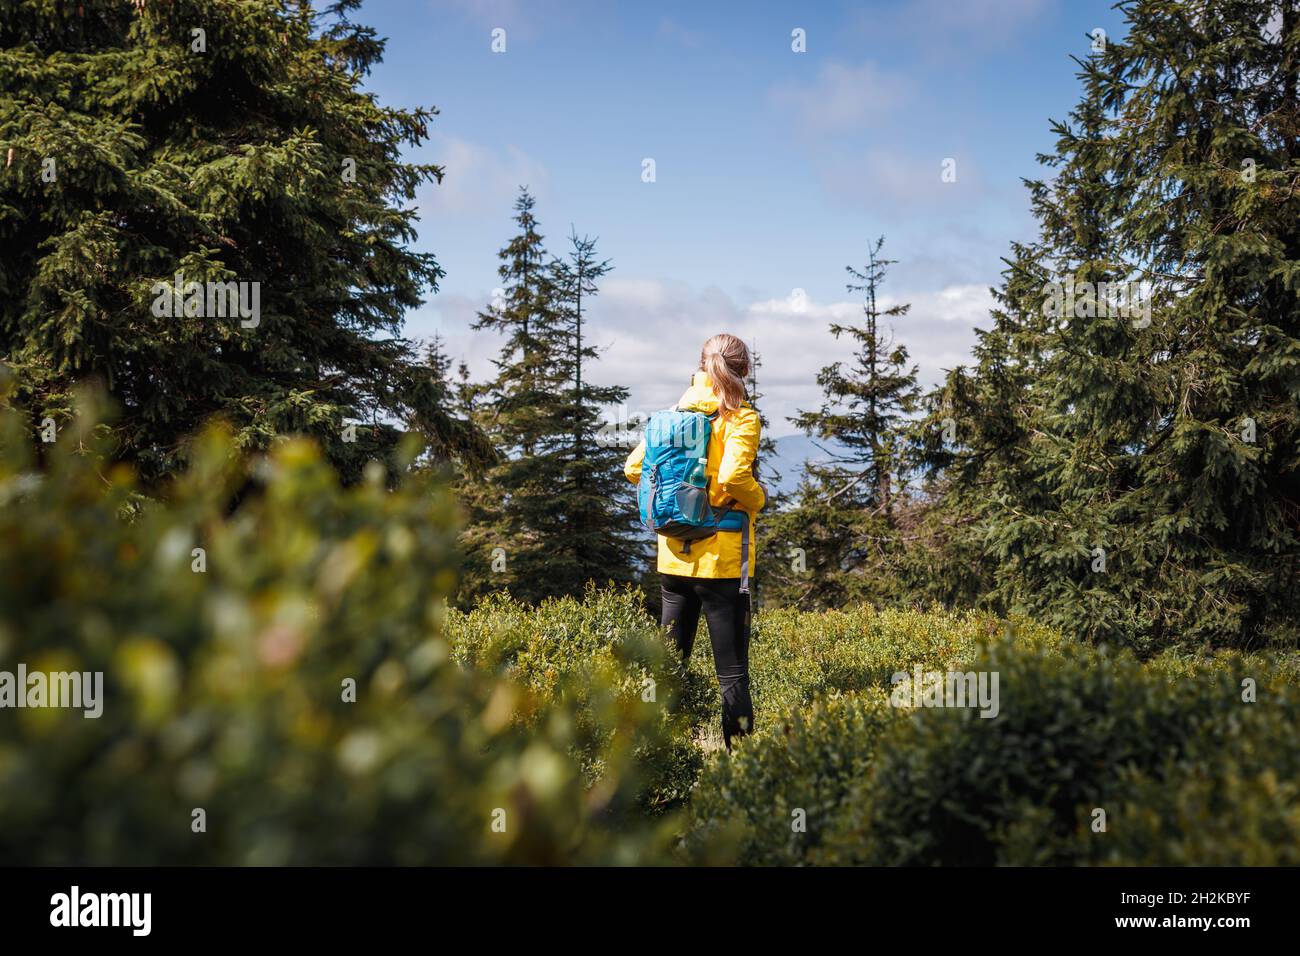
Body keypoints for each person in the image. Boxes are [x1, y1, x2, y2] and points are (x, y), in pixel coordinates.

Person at [624, 333, 767, 748]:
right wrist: (758, 500)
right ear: (743, 370)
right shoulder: (740, 418)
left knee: (668, 666)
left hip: (672, 561)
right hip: (721, 564)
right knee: (732, 671)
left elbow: (634, 469)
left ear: (700, 367)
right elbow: (733, 479)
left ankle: (658, 757)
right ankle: (742, 768)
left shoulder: (672, 415)